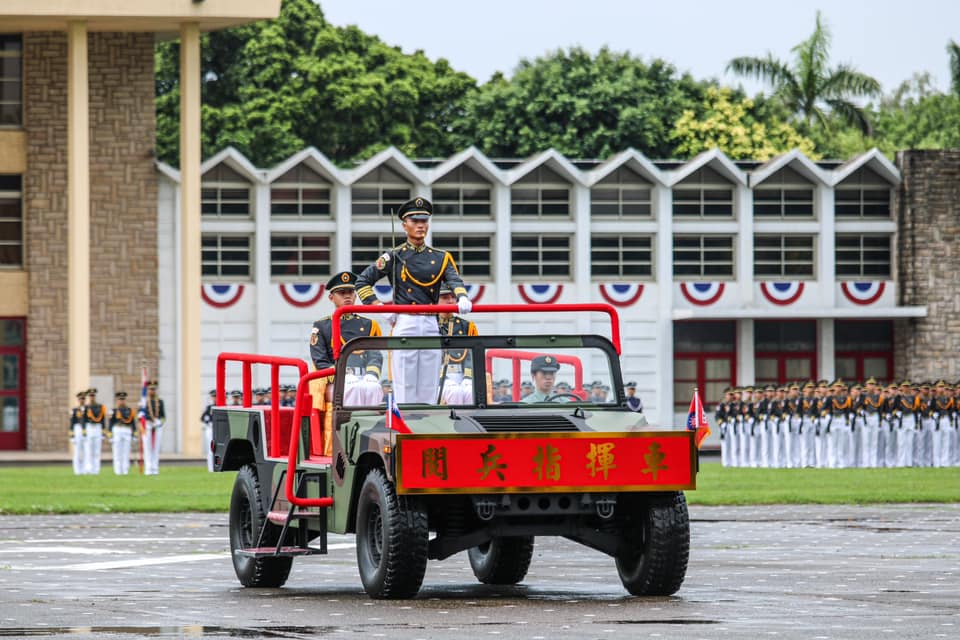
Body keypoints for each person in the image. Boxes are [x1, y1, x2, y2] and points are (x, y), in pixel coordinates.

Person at [354, 197, 472, 404]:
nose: (420, 225)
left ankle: (425, 425)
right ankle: (406, 427)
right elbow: (363, 281)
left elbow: (454, 279)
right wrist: (379, 307)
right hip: (406, 320)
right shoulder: (394, 255)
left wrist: (461, 296)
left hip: (430, 322)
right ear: (404, 225)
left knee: (429, 381)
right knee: (405, 382)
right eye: (415, 221)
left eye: (424, 221)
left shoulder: (441, 257)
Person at [310, 271, 384, 407]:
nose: (347, 296)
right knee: (352, 389)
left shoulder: (369, 325)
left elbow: (375, 355)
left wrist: (372, 374)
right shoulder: (322, 326)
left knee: (374, 388)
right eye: (342, 293)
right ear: (331, 298)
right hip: (336, 380)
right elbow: (320, 360)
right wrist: (341, 374)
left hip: (364, 377)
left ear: (355, 295)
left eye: (350, 292)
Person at [437, 286, 478, 405]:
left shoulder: (465, 326)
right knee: (454, 392)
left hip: (461, 374)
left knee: (471, 391)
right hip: (436, 378)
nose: (450, 301)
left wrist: (468, 377)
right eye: (445, 298)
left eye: (453, 297)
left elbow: (472, 355)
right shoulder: (429, 324)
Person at [141, 380, 165, 475]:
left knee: (156, 447)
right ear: (147, 390)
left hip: (157, 425)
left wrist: (159, 423)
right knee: (148, 447)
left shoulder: (160, 401)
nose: (152, 391)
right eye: (150, 389)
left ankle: (155, 468)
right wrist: (146, 419)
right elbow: (141, 414)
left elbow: (163, 416)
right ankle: (148, 468)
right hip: (147, 425)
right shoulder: (144, 402)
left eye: (154, 389)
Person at [109, 391, 136, 475]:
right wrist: (110, 434)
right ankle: (117, 471)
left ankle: (125, 470)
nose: (121, 401)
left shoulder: (129, 410)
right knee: (117, 452)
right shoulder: (113, 411)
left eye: (123, 399)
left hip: (127, 430)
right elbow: (111, 423)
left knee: (126, 452)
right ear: (117, 400)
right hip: (117, 430)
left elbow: (132, 423)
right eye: (120, 399)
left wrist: (134, 433)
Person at [83, 388, 107, 475]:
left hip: (97, 428)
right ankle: (88, 468)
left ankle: (96, 470)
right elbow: (83, 419)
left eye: (93, 395)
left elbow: (102, 419)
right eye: (90, 396)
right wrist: (84, 430)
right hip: (89, 427)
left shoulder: (100, 407)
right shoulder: (85, 407)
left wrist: (104, 431)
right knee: (88, 449)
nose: (92, 397)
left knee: (97, 450)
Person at [69, 390, 86, 475]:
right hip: (78, 429)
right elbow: (72, 423)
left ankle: (84, 469)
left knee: (85, 451)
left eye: (83, 398)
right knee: (77, 451)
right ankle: (77, 470)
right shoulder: (75, 410)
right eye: (80, 398)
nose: (82, 400)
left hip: (86, 430)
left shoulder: (87, 409)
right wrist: (72, 435)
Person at [201, 389, 216, 472]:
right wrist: (207, 421)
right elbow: (202, 417)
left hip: (219, 428)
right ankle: (210, 468)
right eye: (213, 396)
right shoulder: (209, 407)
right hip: (211, 428)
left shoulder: (221, 405)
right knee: (210, 448)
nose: (215, 398)